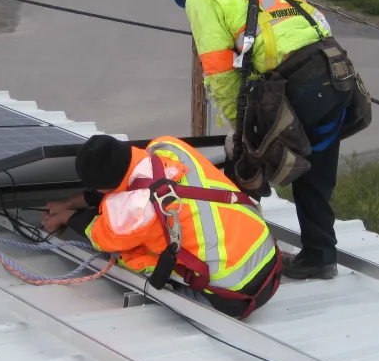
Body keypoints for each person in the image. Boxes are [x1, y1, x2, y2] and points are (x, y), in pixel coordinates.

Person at [169, 0, 356, 281]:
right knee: (315, 174)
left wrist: (240, 130)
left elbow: (220, 72)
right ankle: (320, 255)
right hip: (338, 77)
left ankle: (240, 260)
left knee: (241, 166)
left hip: (297, 82)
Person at [42, 134, 282, 319]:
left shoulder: (131, 212)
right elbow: (126, 184)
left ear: (102, 189)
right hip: (270, 255)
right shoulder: (166, 147)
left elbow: (99, 234)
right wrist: (68, 203)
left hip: (236, 297)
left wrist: (65, 217)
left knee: (128, 254)